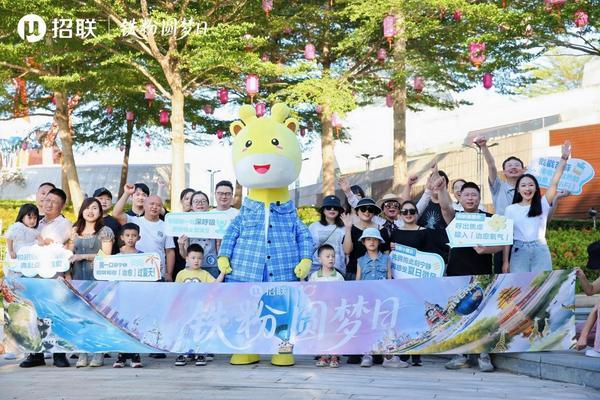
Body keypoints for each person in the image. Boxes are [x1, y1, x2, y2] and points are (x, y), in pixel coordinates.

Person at [437, 180, 503, 372]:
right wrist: (441, 189)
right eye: (466, 195)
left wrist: (486, 250)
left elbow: (504, 243)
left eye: (474, 195)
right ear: (460, 197)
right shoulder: (455, 218)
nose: (470, 198)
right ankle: (461, 354)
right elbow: (445, 207)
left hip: (482, 272)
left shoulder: (491, 219)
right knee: (458, 313)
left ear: (479, 198)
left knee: (484, 313)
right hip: (456, 272)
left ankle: (484, 354)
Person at [19, 188, 72, 368]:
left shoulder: (64, 223)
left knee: (55, 314)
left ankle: (59, 354)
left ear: (62, 206)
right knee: (35, 314)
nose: (48, 204)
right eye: (47, 200)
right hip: (34, 276)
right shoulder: (36, 221)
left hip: (53, 278)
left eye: (54, 202)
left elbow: (51, 242)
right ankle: (36, 354)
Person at [502, 141, 572, 273]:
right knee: (520, 283)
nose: (527, 188)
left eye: (531, 185)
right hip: (519, 250)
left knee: (542, 281)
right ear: (518, 190)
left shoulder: (543, 203)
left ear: (536, 188)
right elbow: (507, 237)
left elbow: (554, 182)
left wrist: (564, 158)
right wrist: (506, 261)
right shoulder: (510, 209)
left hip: (540, 249)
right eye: (523, 185)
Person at [69, 197, 114, 368]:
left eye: (94, 208)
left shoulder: (105, 231)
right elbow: (68, 254)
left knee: (97, 316)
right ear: (82, 211)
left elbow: (106, 256)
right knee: (80, 316)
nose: (90, 211)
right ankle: (82, 352)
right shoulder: (74, 231)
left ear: (100, 212)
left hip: (98, 280)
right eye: (87, 208)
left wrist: (82, 256)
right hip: (77, 278)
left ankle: (98, 353)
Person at [385, 200, 428, 367]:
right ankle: (404, 350)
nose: (408, 214)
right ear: (401, 214)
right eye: (405, 212)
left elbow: (430, 257)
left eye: (411, 211)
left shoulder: (424, 232)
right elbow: (389, 255)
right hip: (400, 281)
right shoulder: (395, 233)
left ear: (416, 213)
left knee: (417, 316)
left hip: (418, 282)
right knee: (402, 316)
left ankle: (417, 353)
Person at [113, 183, 176, 281]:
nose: (154, 207)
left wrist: (169, 273)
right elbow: (116, 214)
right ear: (145, 206)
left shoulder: (166, 226)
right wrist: (126, 193)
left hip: (158, 273)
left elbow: (169, 251)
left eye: (158, 205)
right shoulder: (134, 220)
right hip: (135, 272)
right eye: (151, 204)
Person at [174, 243, 224, 367]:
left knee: (200, 330)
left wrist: (223, 273)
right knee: (184, 331)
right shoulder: (181, 274)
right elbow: (176, 292)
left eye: (200, 258)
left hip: (200, 310)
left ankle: (200, 353)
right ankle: (182, 353)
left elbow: (215, 284)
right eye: (193, 258)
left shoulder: (204, 274)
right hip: (185, 310)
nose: (196, 261)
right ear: (187, 258)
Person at [4, 203, 40, 360]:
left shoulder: (34, 231)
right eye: (29, 217)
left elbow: (40, 239)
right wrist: (11, 250)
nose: (32, 220)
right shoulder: (17, 227)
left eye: (35, 218)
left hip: (29, 270)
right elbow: (9, 238)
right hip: (16, 267)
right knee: (15, 305)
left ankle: (28, 344)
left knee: (28, 306)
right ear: (22, 216)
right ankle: (13, 346)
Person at [354, 228, 391, 368]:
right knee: (367, 326)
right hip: (367, 299)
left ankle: (387, 356)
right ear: (363, 242)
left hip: (383, 298)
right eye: (368, 239)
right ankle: (367, 355)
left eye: (375, 239)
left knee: (385, 326)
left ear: (379, 242)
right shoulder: (360, 261)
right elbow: (358, 281)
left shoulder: (386, 259)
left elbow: (389, 279)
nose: (372, 242)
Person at [112, 223, 144, 368]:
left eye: (134, 236)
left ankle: (135, 354)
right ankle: (121, 355)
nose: (131, 238)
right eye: (128, 235)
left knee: (135, 324)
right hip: (121, 295)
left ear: (139, 237)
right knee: (121, 324)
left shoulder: (144, 257)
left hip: (137, 295)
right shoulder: (116, 258)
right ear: (122, 237)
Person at [309, 244, 344, 368]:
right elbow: (310, 293)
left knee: (334, 333)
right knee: (321, 333)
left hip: (334, 311)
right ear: (319, 259)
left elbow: (343, 294)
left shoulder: (338, 276)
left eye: (333, 256)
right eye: (327, 256)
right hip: (320, 312)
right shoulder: (314, 276)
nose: (331, 259)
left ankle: (335, 356)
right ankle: (323, 355)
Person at [177, 191, 219, 279]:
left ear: (208, 205)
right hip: (191, 268)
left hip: (211, 265)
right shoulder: (186, 222)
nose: (200, 203)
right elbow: (184, 255)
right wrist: (181, 245)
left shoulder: (216, 221)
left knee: (213, 288)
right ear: (191, 206)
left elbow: (218, 247)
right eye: (196, 201)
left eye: (203, 201)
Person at [308, 195, 346, 275]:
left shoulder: (344, 227)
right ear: (323, 210)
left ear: (339, 211)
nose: (332, 209)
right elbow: (308, 248)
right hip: (316, 268)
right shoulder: (313, 227)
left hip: (337, 269)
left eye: (335, 208)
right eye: (328, 207)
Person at [94, 187, 121, 254]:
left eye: (108, 199)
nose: (104, 201)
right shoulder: (87, 220)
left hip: (109, 258)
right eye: (101, 198)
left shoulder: (115, 222)